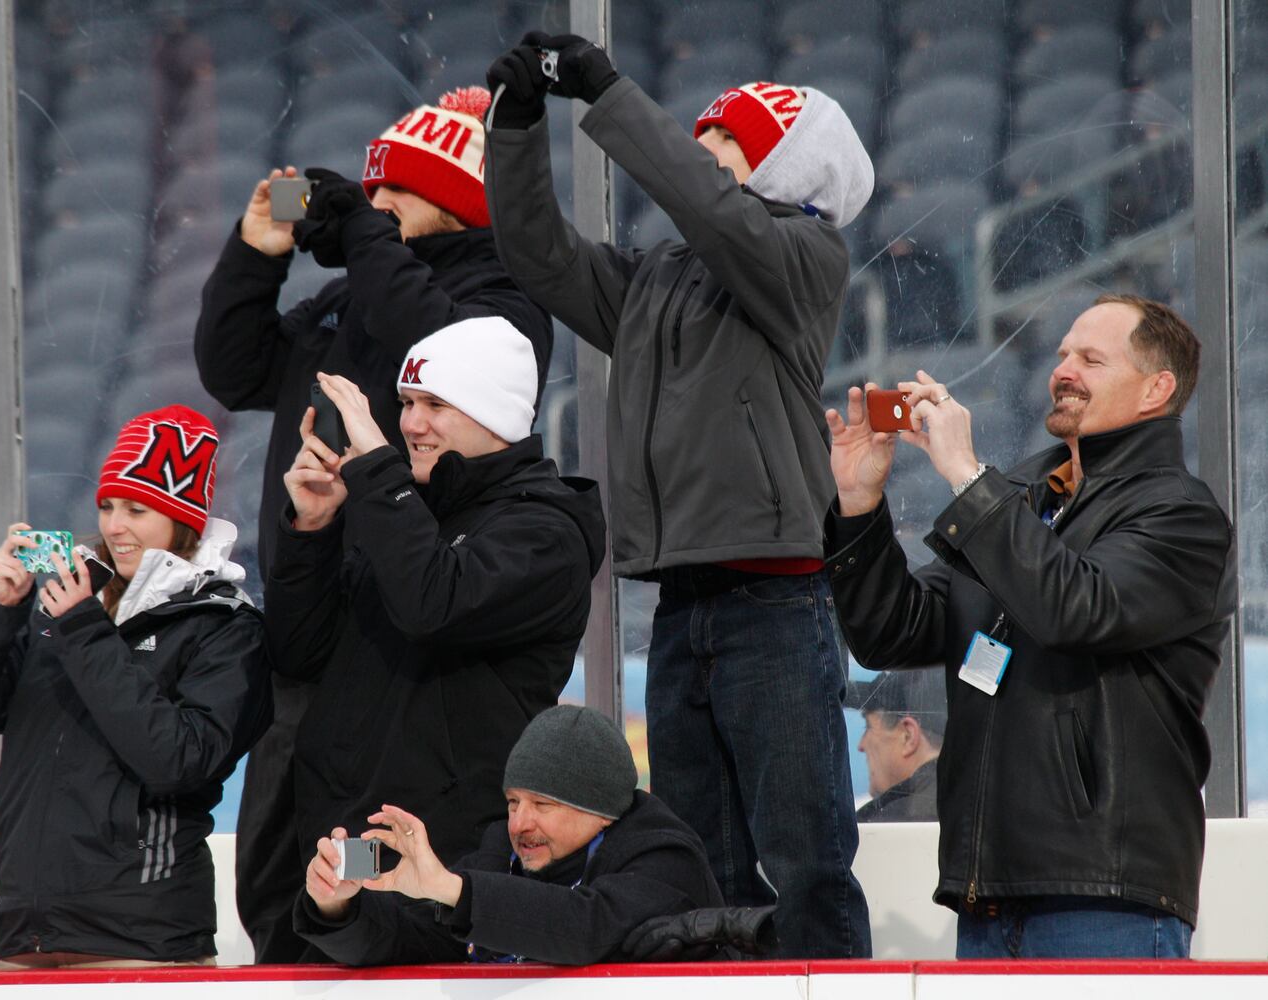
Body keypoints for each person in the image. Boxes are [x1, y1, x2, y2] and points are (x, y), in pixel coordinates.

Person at [483, 34, 875, 957]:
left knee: (805, 854)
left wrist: (607, 93)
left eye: (722, 143)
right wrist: (518, 122)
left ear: (784, 166)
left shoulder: (809, 254)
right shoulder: (666, 276)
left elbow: (713, 212)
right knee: (699, 861)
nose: (701, 155)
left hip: (776, 599)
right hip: (682, 603)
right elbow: (539, 256)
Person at [192, 86, 552, 962]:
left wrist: (359, 231)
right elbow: (235, 369)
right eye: (367, 194)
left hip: (409, 634)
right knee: (282, 849)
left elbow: (435, 350)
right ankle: (290, 951)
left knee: (382, 867)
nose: (374, 209)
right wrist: (258, 250)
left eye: (394, 196)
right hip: (314, 612)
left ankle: (346, 949)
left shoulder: (500, 297)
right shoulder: (350, 299)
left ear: (454, 201)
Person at [824, 294, 1236, 958]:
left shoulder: (1180, 513)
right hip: (987, 894)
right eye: (1064, 353)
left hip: (1105, 895)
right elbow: (891, 632)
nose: (1063, 370)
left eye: (1092, 358)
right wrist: (858, 505)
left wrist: (964, 473)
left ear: (1157, 388)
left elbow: (1077, 609)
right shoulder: (1018, 500)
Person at [264, 316, 606, 940]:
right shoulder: (402, 510)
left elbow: (434, 603)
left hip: (445, 857)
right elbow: (297, 654)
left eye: (435, 405)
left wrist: (377, 474)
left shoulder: (546, 533)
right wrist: (310, 533)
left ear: (496, 416)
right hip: (344, 844)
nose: (411, 424)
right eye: (405, 403)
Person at [0, 405, 271, 968]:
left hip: (141, 941)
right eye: (106, 506)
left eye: (136, 508)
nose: (113, 525)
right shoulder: (64, 603)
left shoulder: (223, 625)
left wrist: (83, 629)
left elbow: (178, 759)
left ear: (183, 518)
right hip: (25, 933)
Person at [295, 703, 722, 965]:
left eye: (543, 805)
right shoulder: (501, 850)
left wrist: (452, 889)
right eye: (513, 802)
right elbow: (417, 942)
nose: (519, 824)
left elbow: (584, 928)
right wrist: (338, 906)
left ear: (603, 812)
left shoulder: (663, 855)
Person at [849, 670, 945, 823]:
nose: (861, 745)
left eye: (868, 727)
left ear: (908, 736)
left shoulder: (896, 820)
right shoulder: (971, 801)